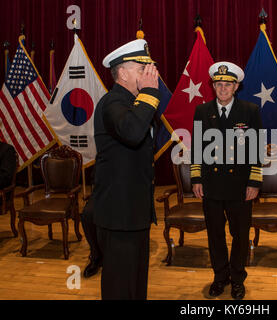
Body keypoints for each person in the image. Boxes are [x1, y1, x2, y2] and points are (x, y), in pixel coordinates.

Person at [92, 38, 160, 300]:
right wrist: (150, 93)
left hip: (133, 212)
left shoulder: (134, 103)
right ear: (122, 72)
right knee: (120, 288)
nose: (149, 74)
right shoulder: (113, 103)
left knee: (135, 285)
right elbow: (132, 132)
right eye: (142, 69)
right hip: (118, 214)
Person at [190, 62, 263, 300]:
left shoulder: (250, 110)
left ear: (236, 86)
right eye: (218, 84)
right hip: (211, 185)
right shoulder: (202, 111)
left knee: (240, 235)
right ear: (213, 86)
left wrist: (254, 181)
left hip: (241, 186)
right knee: (215, 235)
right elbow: (197, 148)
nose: (223, 88)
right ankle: (220, 278)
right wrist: (196, 177)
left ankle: (237, 279)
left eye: (228, 84)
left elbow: (257, 148)